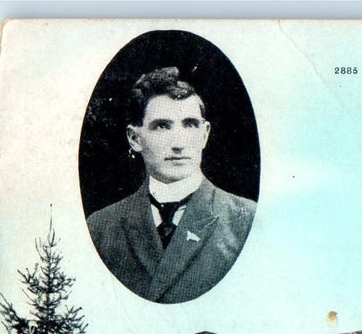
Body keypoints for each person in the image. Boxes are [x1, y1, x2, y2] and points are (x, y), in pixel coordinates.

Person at [87, 67, 255, 304]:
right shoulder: (101, 228)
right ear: (134, 139)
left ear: (205, 134)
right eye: (161, 126)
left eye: (190, 125)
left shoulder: (245, 220)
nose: (179, 143)